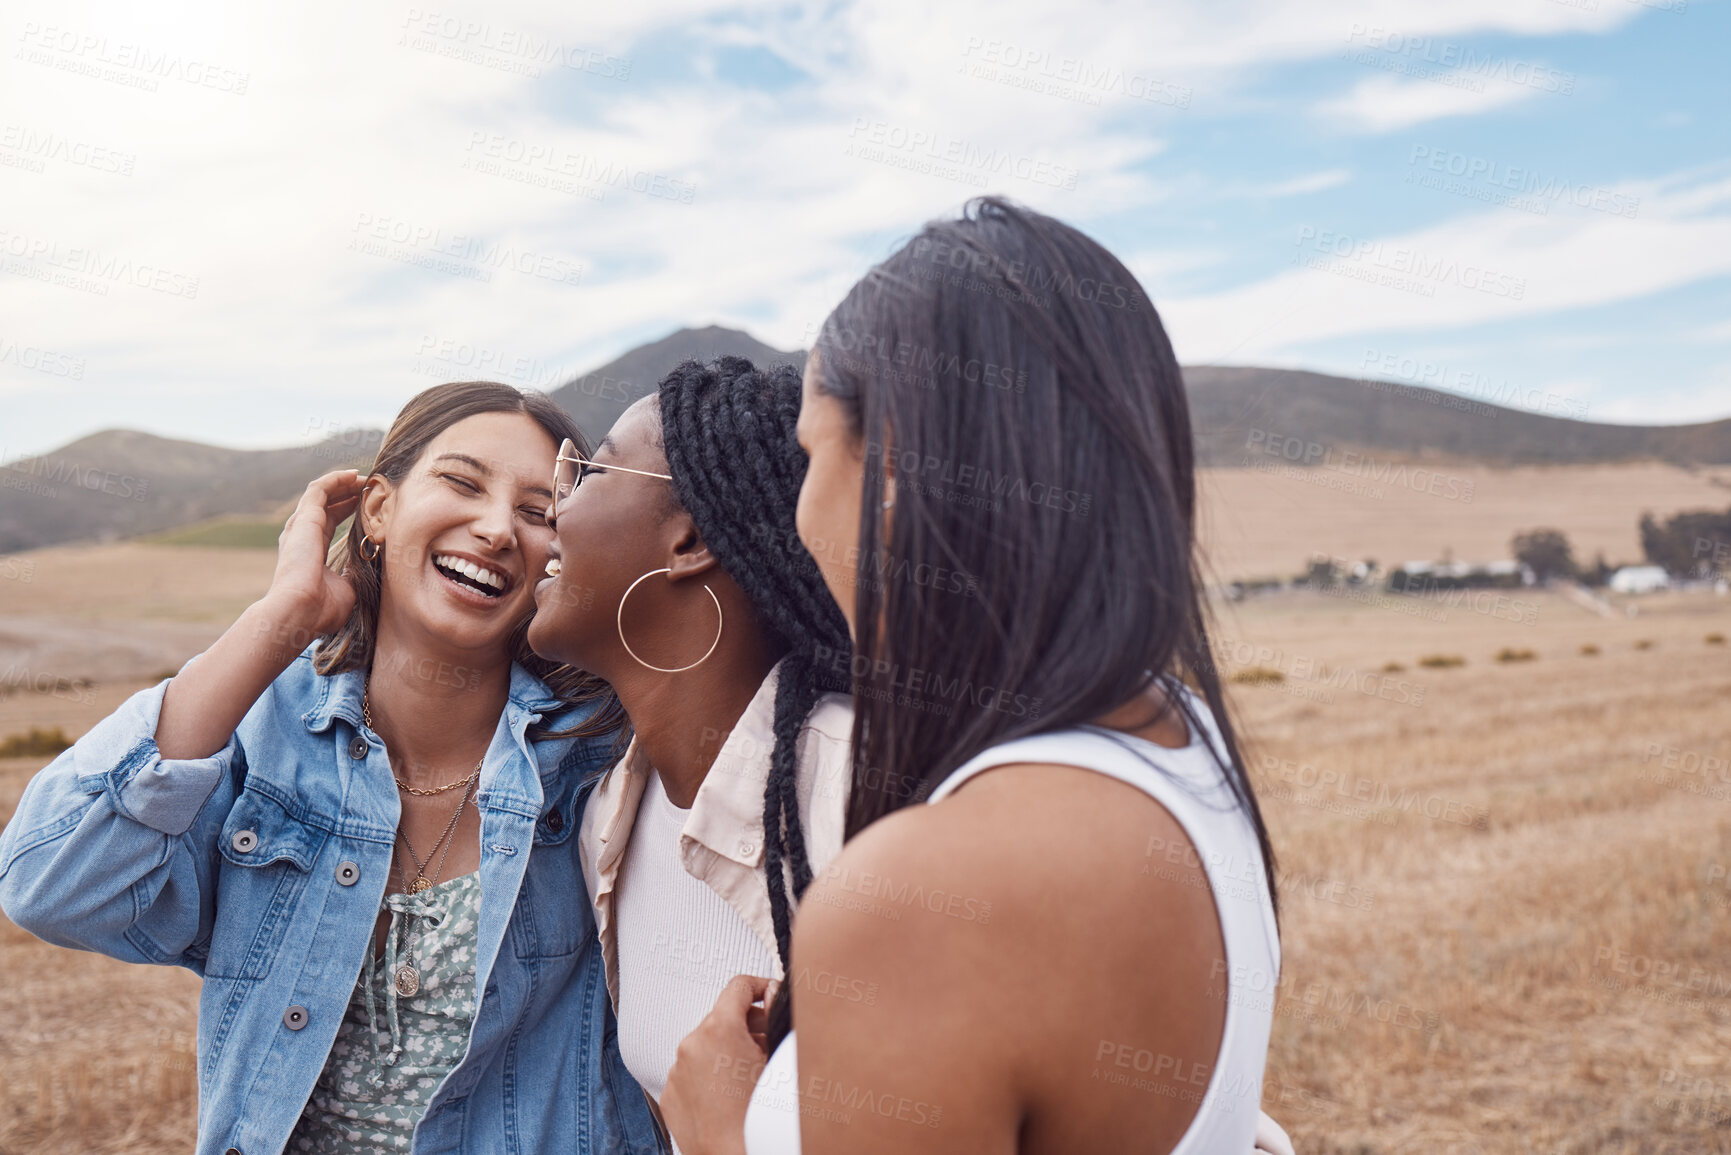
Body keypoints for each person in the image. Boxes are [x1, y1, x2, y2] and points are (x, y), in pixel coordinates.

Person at [661, 198, 1286, 1155]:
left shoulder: (926, 893)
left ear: (894, 479)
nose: (797, 517)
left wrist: (718, 1136)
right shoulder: (1182, 742)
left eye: (811, 457)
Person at [0, 381, 663, 1155]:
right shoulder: (266, 736)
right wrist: (280, 620)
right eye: (461, 481)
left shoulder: (598, 755)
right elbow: (48, 884)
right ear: (377, 510)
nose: (493, 529)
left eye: (536, 511)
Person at [526, 357, 856, 1144]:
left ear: (689, 538)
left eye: (586, 470)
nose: (552, 508)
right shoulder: (607, 816)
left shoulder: (862, 791)